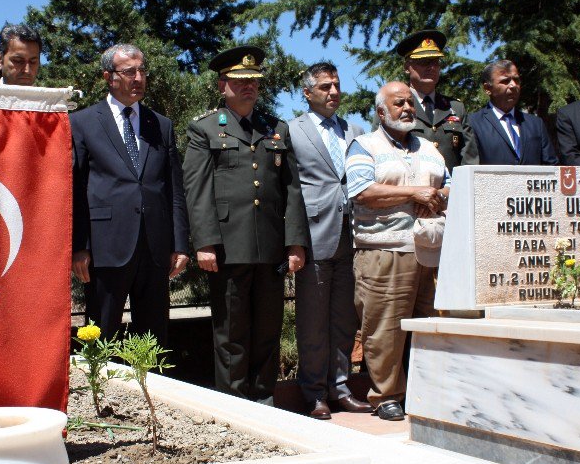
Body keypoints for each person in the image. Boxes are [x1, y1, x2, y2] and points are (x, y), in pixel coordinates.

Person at [183, 46, 309, 402]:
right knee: (231, 334)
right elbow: (197, 189)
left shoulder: (276, 128)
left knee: (268, 330)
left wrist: (295, 242)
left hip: (270, 248)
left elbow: (292, 190)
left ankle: (265, 402)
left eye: (253, 81)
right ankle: (235, 403)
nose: (248, 87)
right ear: (223, 84)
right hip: (228, 247)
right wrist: (204, 242)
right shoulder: (205, 129)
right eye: (240, 81)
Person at [71, 44, 189, 345]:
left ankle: (148, 391)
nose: (138, 78)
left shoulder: (160, 125)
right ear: (109, 77)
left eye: (142, 71)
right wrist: (78, 246)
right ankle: (100, 392)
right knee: (101, 337)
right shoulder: (82, 123)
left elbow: (173, 188)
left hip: (155, 246)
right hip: (105, 246)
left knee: (154, 339)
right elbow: (76, 187)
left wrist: (180, 244)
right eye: (129, 72)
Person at [346, 81, 449, 421]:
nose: (407, 108)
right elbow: (361, 191)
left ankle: (429, 392)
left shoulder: (430, 149)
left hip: (431, 250)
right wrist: (417, 193)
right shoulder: (364, 146)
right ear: (381, 112)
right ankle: (386, 395)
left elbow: (449, 183)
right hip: (384, 251)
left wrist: (437, 196)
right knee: (384, 328)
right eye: (399, 103)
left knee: (431, 325)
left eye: (410, 102)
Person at [287, 62, 370, 419]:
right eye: (324, 87)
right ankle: (314, 392)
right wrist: (293, 240)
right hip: (314, 233)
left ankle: (340, 387)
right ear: (307, 93)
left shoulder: (355, 130)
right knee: (312, 320)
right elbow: (289, 188)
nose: (333, 92)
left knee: (343, 320)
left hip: (353, 235)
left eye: (336, 85)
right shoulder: (292, 130)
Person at [394, 29, 478, 172]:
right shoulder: (393, 105)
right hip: (410, 191)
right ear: (407, 67)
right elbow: (382, 151)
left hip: (453, 192)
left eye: (435, 61)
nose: (431, 67)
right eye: (424, 62)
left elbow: (470, 160)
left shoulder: (455, 108)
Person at [471, 60, 558, 166]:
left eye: (516, 80)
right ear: (487, 88)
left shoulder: (535, 124)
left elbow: (551, 166)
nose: (513, 85)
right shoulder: (473, 123)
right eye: (505, 81)